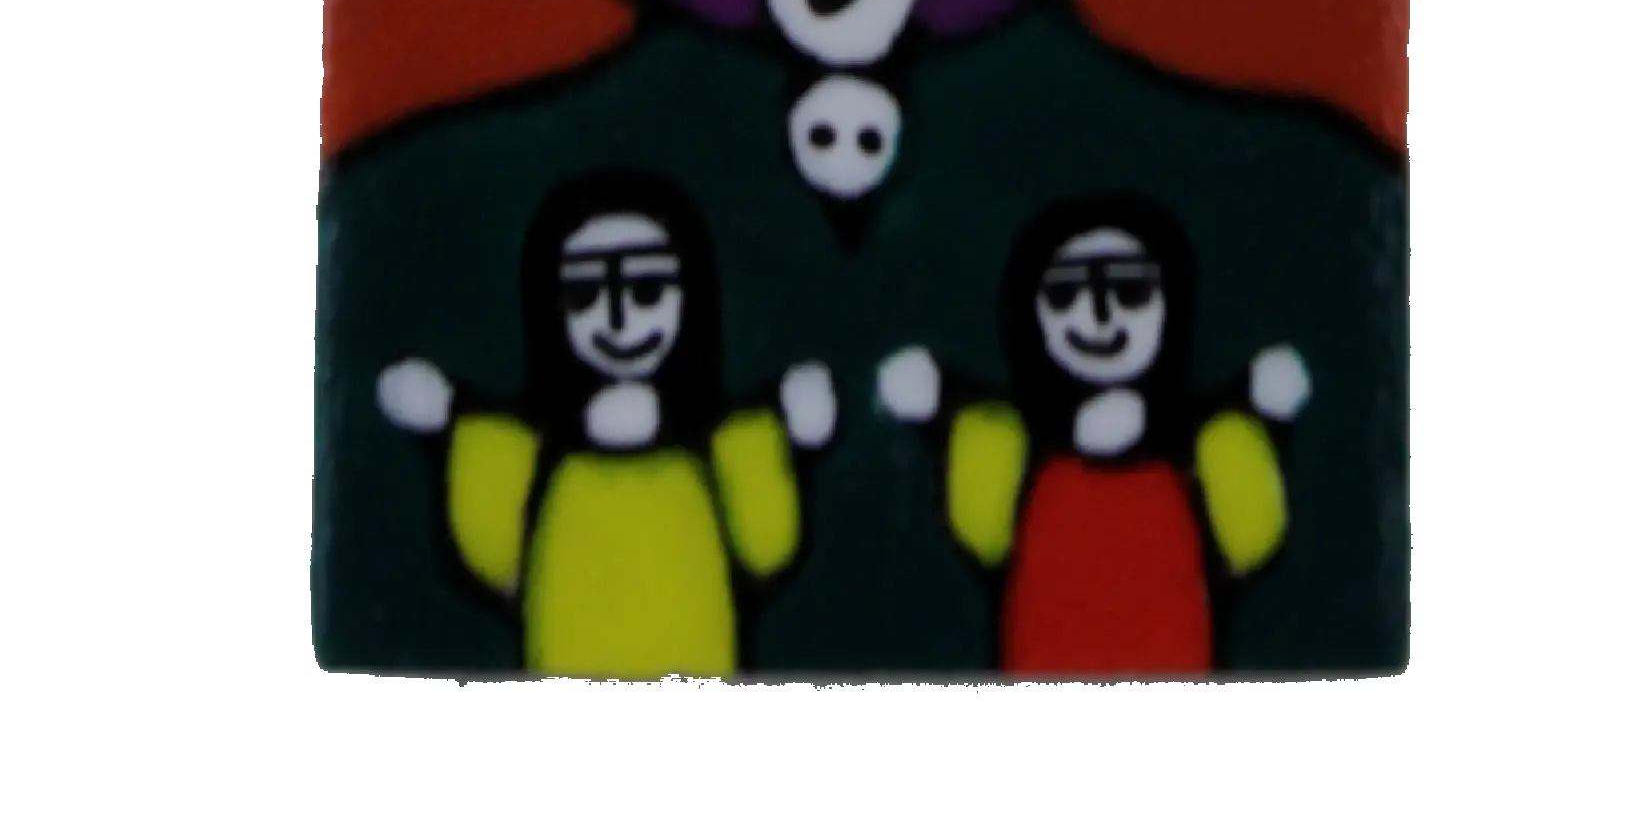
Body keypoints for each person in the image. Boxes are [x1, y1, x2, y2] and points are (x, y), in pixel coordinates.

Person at [372, 170, 833, 678]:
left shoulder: (716, 445)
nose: (618, 318)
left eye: (648, 290)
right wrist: (449, 416)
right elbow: (496, 542)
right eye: (585, 295)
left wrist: (790, 434)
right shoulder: (543, 454)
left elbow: (764, 541)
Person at [873, 191, 1306, 675]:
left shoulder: (1208, 449)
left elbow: (1249, 531)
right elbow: (982, 505)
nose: (1099, 315)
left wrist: (1256, 409)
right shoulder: (1014, 453)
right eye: (1065, 294)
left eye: (1130, 290)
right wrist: (941, 402)